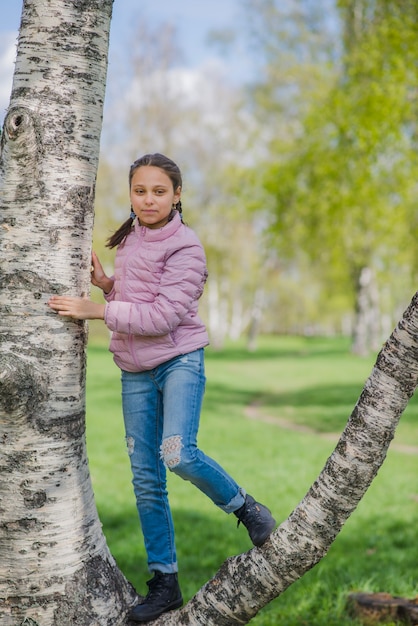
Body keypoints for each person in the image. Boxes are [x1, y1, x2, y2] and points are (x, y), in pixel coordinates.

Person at [48, 153, 276, 622]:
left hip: (178, 362)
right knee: (146, 478)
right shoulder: (130, 238)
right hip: (134, 370)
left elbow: (164, 317)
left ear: (177, 195)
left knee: (178, 454)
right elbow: (136, 301)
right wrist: (107, 286)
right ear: (130, 194)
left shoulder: (187, 247)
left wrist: (97, 311)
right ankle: (164, 583)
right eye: (139, 190)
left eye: (158, 191)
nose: (148, 199)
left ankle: (246, 507)